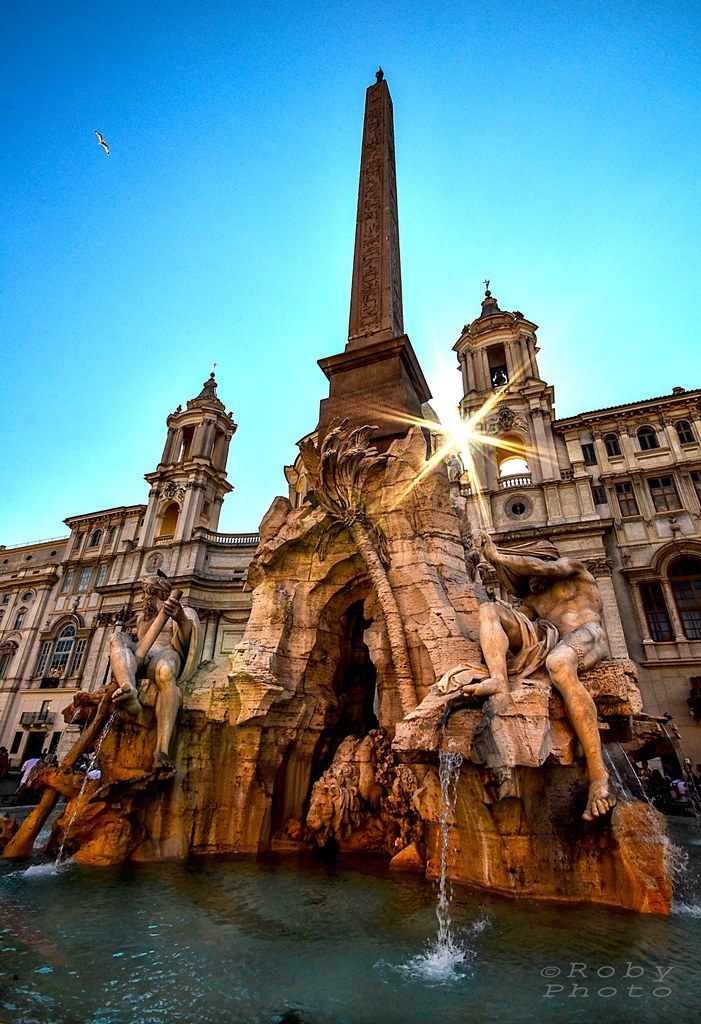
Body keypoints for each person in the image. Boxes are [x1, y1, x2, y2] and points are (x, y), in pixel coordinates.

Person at [443, 531, 615, 822]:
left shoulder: (572, 569)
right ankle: (498, 679)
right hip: (553, 640)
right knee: (489, 610)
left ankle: (599, 774)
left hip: (587, 636)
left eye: (527, 570)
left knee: (559, 663)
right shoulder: (533, 600)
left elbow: (545, 569)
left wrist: (498, 556)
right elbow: (511, 619)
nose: (527, 582)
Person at [109, 573, 202, 768]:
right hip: (142, 657)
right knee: (117, 638)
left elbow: (188, 642)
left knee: (166, 672)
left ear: (160, 594)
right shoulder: (142, 619)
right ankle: (129, 689)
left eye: (149, 595)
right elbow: (140, 644)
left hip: (167, 653)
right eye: (144, 595)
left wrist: (180, 618)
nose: (145, 600)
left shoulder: (183, 612)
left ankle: (162, 749)